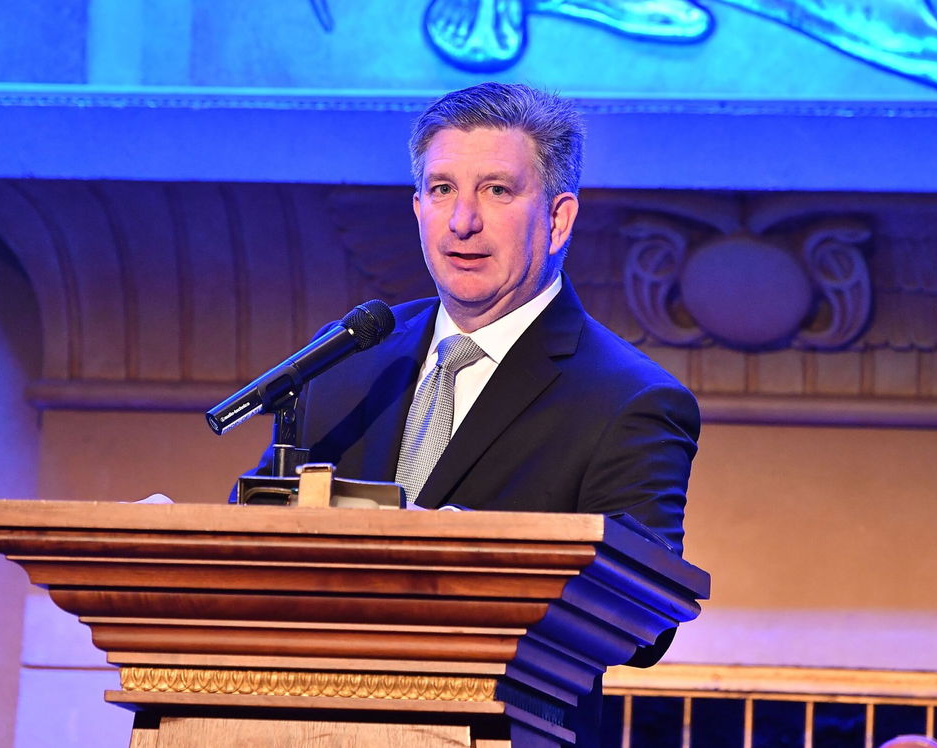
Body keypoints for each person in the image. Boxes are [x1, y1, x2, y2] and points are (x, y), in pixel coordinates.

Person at [260, 82, 699, 746]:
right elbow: (256, 538)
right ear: (417, 209)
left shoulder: (631, 401)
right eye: (441, 190)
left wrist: (479, 560)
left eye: (497, 191)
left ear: (558, 219)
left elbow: (643, 622)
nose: (462, 220)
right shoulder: (347, 362)